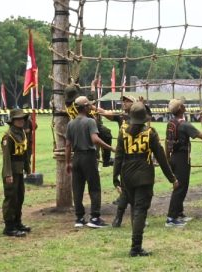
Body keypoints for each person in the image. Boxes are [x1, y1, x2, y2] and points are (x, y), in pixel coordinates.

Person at [113, 102, 178, 257]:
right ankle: (136, 247)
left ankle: (134, 242)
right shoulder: (150, 133)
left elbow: (118, 156)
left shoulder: (123, 132)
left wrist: (116, 178)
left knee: (135, 209)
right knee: (140, 211)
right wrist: (172, 178)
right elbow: (161, 158)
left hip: (127, 175)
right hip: (144, 176)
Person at [165, 98, 202, 227]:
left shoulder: (171, 123)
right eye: (182, 105)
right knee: (180, 187)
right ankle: (171, 218)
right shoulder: (185, 125)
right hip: (182, 158)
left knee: (179, 185)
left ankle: (179, 213)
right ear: (180, 109)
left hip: (173, 157)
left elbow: (167, 142)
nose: (184, 106)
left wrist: (167, 158)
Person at [65, 96, 115, 228]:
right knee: (94, 187)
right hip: (89, 157)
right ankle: (94, 217)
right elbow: (95, 139)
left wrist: (67, 162)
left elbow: (68, 145)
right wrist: (111, 148)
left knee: (77, 188)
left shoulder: (71, 123)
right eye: (89, 106)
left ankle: (79, 218)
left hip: (76, 158)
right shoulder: (90, 122)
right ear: (86, 107)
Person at [98, 94, 136, 228]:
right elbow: (105, 113)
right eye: (123, 101)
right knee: (126, 189)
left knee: (135, 189)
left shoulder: (139, 116)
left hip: (137, 156)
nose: (125, 103)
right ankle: (119, 218)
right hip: (125, 156)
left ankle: (132, 217)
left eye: (128, 101)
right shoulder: (121, 117)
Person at [1, 109, 32, 237]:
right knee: (11, 198)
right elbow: (6, 157)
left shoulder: (22, 134)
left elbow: (24, 153)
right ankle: (9, 226)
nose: (21, 121)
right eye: (18, 119)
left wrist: (27, 168)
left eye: (22, 119)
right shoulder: (8, 136)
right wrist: (8, 174)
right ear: (12, 121)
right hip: (11, 170)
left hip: (19, 170)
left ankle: (17, 222)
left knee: (20, 197)